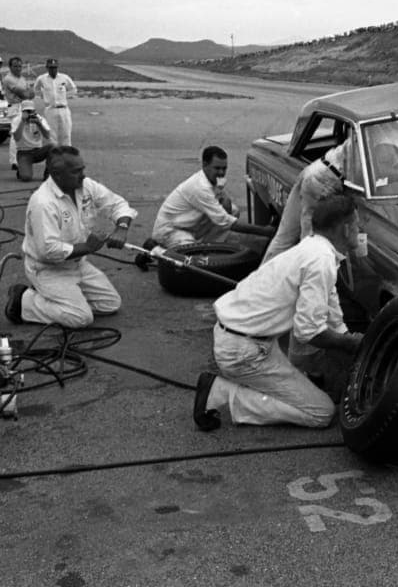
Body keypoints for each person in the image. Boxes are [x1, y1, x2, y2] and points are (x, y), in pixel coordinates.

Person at [192, 194, 365, 431]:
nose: (359, 229)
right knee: (321, 412)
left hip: (245, 338)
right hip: (243, 351)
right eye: (356, 224)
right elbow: (309, 332)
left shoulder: (314, 248)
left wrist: (348, 338)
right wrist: (348, 344)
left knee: (309, 370)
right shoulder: (320, 260)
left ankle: (287, 383)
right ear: (346, 230)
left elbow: (330, 308)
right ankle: (222, 393)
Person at [6, 146, 137, 329]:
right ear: (57, 175)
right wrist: (88, 247)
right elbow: (48, 251)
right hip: (48, 268)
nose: (83, 175)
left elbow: (117, 204)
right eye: (76, 171)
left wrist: (121, 227)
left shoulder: (85, 186)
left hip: (76, 263)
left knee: (110, 304)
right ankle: (24, 301)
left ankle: (61, 299)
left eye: (82, 169)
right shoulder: (43, 202)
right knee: (81, 318)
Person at [261, 142, 345, 263]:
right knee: (310, 245)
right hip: (327, 178)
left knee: (285, 237)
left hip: (317, 168)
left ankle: (263, 278)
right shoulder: (377, 135)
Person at [152, 146, 241, 249]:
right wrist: (261, 231)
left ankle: (206, 248)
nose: (221, 173)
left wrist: (222, 194)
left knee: (234, 211)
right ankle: (155, 250)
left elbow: (225, 206)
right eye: (217, 168)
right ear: (205, 165)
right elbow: (224, 219)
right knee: (188, 257)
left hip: (189, 225)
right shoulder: (200, 187)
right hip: (170, 230)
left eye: (224, 168)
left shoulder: (213, 180)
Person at [34, 58, 77, 146]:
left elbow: (73, 89)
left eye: (55, 67)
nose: (53, 69)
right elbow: (36, 89)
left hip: (63, 109)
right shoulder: (42, 79)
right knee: (51, 135)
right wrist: (44, 95)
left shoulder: (64, 78)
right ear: (47, 68)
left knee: (66, 134)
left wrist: (64, 96)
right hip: (50, 109)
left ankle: (66, 156)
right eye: (51, 68)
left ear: (57, 67)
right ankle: (54, 156)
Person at [2, 56, 34, 170]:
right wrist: (27, 93)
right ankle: (14, 161)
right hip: (15, 107)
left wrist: (27, 93)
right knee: (15, 134)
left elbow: (32, 93)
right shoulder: (8, 79)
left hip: (24, 106)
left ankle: (21, 159)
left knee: (24, 134)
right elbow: (25, 94)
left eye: (20, 66)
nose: (18, 68)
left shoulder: (22, 79)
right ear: (10, 67)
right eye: (15, 66)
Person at [11, 100, 55, 181]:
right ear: (22, 111)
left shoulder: (39, 119)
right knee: (26, 178)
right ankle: (21, 169)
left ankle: (48, 173)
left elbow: (47, 136)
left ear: (34, 111)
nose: (29, 114)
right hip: (23, 152)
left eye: (31, 111)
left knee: (53, 147)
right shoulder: (17, 120)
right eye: (26, 111)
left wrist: (39, 124)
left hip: (37, 151)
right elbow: (17, 138)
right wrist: (23, 121)